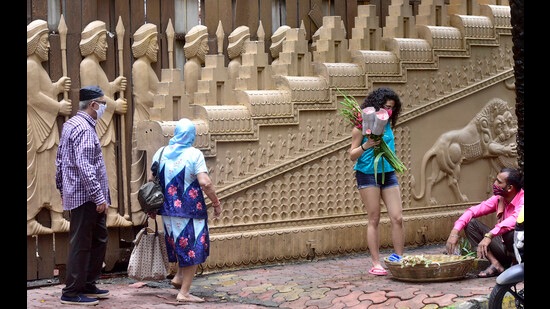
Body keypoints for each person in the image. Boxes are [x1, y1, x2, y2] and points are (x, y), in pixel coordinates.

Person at [148, 118, 222, 303]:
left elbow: (151, 181)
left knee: (180, 244)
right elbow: (205, 182)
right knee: (192, 249)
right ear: (191, 135)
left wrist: (151, 208)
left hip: (167, 212)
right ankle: (184, 293)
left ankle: (179, 277)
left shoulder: (160, 152)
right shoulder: (194, 154)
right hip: (190, 212)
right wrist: (216, 202)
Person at [55, 86, 111, 305]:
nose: (105, 107)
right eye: (103, 103)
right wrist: (98, 197)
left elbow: (60, 160)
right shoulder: (85, 129)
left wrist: (62, 189)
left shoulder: (71, 125)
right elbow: (85, 165)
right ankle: (71, 292)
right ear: (93, 105)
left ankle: (87, 284)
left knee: (98, 238)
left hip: (79, 193)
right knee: (81, 243)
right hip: (86, 196)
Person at [79, 20, 132, 227]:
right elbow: (93, 97)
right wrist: (115, 105)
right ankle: (108, 211)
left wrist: (111, 86)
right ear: (93, 42)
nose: (106, 46)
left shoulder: (94, 66)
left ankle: (111, 211)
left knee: (108, 166)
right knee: (104, 167)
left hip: (103, 123)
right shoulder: (88, 65)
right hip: (99, 124)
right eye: (103, 41)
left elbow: (100, 91)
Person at [349, 87, 404, 276]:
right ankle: (376, 263)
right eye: (387, 107)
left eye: (392, 108)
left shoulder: (388, 124)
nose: (389, 111)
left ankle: (399, 258)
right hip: (367, 173)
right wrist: (367, 145)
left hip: (388, 172)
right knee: (374, 218)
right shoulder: (361, 126)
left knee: (397, 217)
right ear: (376, 106)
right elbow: (351, 155)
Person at [27, 19, 72, 235]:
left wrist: (56, 88)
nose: (47, 45)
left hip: (47, 127)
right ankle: (30, 219)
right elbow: (33, 98)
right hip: (38, 127)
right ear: (35, 42)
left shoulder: (36, 67)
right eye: (44, 41)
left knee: (52, 170)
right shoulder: (30, 66)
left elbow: (42, 91)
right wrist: (59, 106)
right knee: (37, 173)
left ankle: (57, 217)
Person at [446, 167, 524, 277]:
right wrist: (454, 232)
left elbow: (513, 220)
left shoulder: (522, 199)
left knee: (510, 233)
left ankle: (516, 265)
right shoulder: (499, 198)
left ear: (510, 188)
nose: (495, 183)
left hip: (519, 248)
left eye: (499, 182)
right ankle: (496, 264)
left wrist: (489, 235)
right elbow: (472, 211)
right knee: (471, 224)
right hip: (504, 247)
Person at [130, 22, 161, 226]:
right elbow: (142, 96)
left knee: (149, 168)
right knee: (140, 167)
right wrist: (164, 98)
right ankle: (137, 210)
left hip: (150, 121)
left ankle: (147, 208)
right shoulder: (140, 65)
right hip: (143, 120)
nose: (157, 47)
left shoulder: (146, 66)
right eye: (154, 43)